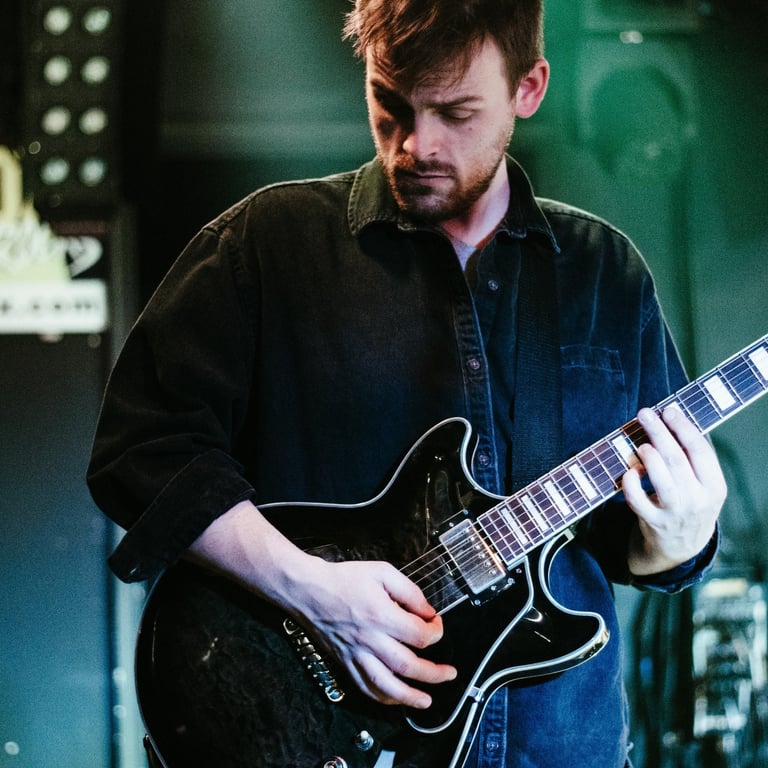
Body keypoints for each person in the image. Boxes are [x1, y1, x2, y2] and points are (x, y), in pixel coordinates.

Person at [87, 1, 726, 766]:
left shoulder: (604, 272)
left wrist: (680, 536)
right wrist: (308, 589)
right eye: (390, 104)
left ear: (528, 88)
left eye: (456, 112)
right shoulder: (266, 245)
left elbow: (629, 547)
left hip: (558, 746)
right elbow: (142, 449)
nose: (416, 145)